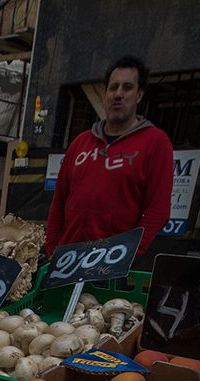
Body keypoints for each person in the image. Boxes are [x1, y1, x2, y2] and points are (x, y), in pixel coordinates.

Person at [45, 55, 173, 259]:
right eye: (113, 88)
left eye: (127, 87)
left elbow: (158, 210)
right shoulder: (81, 142)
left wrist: (129, 254)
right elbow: (59, 201)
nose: (118, 94)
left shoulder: (155, 143)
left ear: (139, 95)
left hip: (110, 266)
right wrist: (52, 249)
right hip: (66, 261)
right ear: (105, 94)